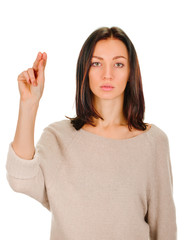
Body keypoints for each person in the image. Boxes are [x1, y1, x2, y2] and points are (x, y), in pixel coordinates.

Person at [6, 26, 177, 240]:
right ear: (84, 70)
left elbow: (165, 228)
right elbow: (20, 179)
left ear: (130, 72)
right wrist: (28, 105)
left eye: (118, 64)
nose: (108, 74)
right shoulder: (58, 137)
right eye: (96, 63)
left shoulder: (154, 142)